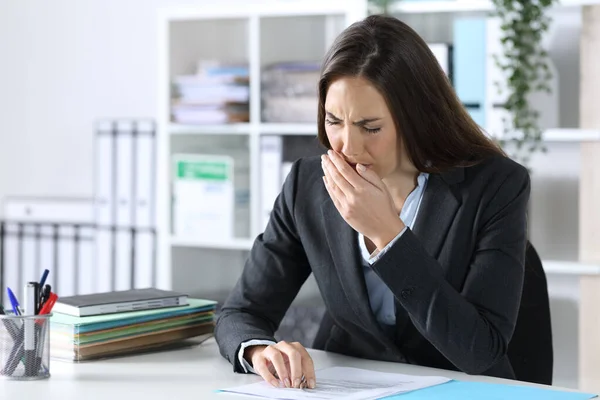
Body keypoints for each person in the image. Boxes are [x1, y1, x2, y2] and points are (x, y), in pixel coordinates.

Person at [214, 14, 530, 390]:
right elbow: (240, 311)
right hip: (350, 388)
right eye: (333, 121)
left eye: (370, 127)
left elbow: (481, 352)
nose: (346, 147)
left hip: (461, 388)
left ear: (418, 118)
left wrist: (389, 237)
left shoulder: (496, 185)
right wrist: (260, 351)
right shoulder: (307, 184)